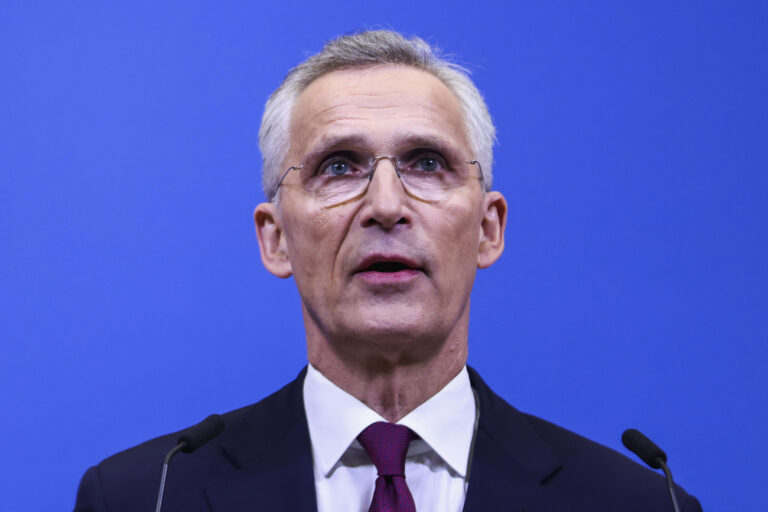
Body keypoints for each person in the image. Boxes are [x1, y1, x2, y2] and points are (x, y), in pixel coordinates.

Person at [74, 30, 702, 512]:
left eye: (426, 163)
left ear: (488, 228)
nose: (385, 206)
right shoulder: (145, 496)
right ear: (276, 239)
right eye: (339, 167)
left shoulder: (638, 503)